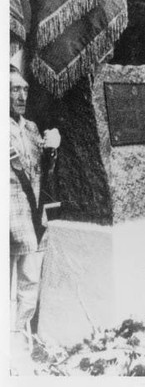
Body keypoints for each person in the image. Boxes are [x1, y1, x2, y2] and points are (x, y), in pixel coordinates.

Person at [10, 65, 60, 354]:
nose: (22, 95)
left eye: (25, 89)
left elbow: (44, 175)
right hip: (9, 221)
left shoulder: (30, 128)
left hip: (33, 220)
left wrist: (52, 151)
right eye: (15, 89)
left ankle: (19, 341)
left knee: (30, 285)